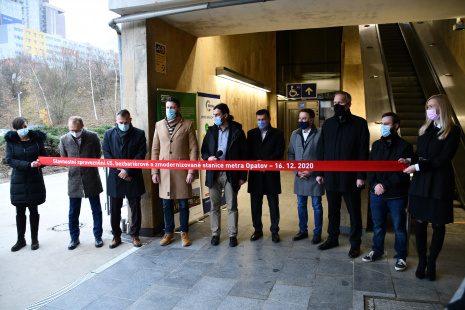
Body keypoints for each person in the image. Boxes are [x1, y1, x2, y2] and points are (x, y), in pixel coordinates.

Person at [400, 94, 460, 281]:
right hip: (421, 182)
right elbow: (420, 154)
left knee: (438, 223)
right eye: (427, 106)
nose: (428, 110)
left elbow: (443, 158)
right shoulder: (425, 129)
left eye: (431, 106)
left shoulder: (452, 130)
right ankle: (422, 261)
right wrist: (409, 160)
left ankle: (432, 261)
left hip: (439, 183)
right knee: (419, 222)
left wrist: (417, 166)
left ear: (441, 107)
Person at [316, 91, 369, 258]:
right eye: (335, 102)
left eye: (340, 102)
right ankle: (333, 238)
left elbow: (363, 151)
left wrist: (361, 175)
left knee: (354, 211)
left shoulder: (360, 124)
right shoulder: (328, 124)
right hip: (331, 176)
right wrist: (320, 172)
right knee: (333, 210)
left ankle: (355, 243)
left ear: (349, 104)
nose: (336, 105)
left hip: (351, 177)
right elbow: (321, 150)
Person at [363, 112, 413, 271]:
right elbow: (370, 167)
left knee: (399, 227)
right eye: (382, 123)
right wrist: (375, 184)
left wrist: (384, 185)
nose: (383, 127)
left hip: (396, 195)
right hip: (376, 193)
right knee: (378, 225)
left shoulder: (405, 146)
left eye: (386, 124)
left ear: (396, 126)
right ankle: (377, 251)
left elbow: (401, 172)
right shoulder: (376, 145)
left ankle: (401, 256)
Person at [151, 97, 199, 247]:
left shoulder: (188, 125)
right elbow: (155, 149)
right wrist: (154, 171)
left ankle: (184, 233)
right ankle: (169, 232)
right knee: (166, 204)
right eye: (167, 107)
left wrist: (191, 171)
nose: (170, 110)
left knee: (184, 204)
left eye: (172, 107)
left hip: (182, 172)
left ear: (178, 109)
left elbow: (194, 149)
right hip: (164, 172)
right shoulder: (159, 125)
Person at [201, 103, 247, 247]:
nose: (214, 118)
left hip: (231, 173)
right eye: (213, 115)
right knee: (214, 206)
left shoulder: (237, 131)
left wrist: (242, 176)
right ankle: (215, 234)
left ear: (225, 115)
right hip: (213, 173)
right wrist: (208, 158)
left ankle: (232, 235)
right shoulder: (211, 131)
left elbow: (243, 155)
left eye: (217, 115)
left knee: (232, 205)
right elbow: (204, 150)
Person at [102, 109, 147, 248]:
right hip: (115, 177)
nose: (123, 124)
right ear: (116, 121)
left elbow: (140, 154)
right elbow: (107, 154)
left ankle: (135, 235)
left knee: (135, 208)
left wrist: (127, 170)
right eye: (120, 122)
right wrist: (120, 172)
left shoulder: (139, 134)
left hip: (133, 176)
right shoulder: (108, 134)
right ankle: (116, 236)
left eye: (126, 122)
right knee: (115, 209)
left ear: (130, 120)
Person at [59, 116, 104, 250]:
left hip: (91, 178)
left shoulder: (92, 136)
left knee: (96, 209)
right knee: (73, 212)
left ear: (82, 127)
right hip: (74, 180)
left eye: (77, 130)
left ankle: (98, 236)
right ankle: (74, 238)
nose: (75, 132)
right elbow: (64, 157)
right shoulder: (64, 139)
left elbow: (98, 154)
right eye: (72, 130)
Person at [5, 117, 47, 251]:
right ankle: (20, 239)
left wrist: (40, 163)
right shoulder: (11, 141)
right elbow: (10, 160)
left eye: (25, 126)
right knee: (20, 211)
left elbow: (44, 157)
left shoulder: (36, 139)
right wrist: (28, 165)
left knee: (33, 210)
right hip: (18, 180)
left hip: (35, 179)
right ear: (15, 129)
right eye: (20, 127)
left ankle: (34, 239)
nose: (24, 129)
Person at [247, 109, 285, 243]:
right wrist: (257, 163)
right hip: (255, 175)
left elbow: (280, 151)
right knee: (255, 205)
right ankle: (257, 230)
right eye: (258, 119)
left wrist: (266, 164)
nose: (260, 122)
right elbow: (248, 152)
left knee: (273, 205)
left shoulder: (278, 134)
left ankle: (274, 231)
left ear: (269, 119)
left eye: (263, 119)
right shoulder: (251, 134)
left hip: (271, 175)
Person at [288, 108, 325, 244]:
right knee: (301, 205)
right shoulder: (295, 134)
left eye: (304, 118)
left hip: (314, 176)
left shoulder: (320, 134)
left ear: (311, 120)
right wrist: (296, 171)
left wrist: (312, 171)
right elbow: (291, 154)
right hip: (299, 177)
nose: (301, 121)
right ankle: (303, 230)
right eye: (300, 118)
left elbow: (323, 156)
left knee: (316, 205)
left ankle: (317, 233)